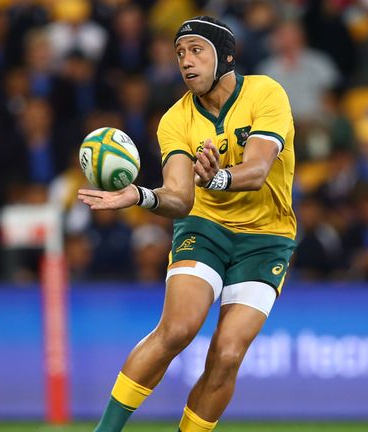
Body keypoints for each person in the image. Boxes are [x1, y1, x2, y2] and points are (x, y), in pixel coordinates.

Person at [78, 16, 297, 432]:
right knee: (178, 329)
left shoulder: (266, 92)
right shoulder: (175, 120)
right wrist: (139, 195)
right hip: (206, 227)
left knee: (228, 354)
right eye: (180, 53)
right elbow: (179, 198)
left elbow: (257, 170)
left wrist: (218, 177)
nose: (186, 61)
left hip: (267, 239)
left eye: (197, 50)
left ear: (226, 57)